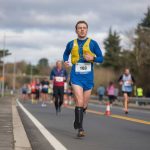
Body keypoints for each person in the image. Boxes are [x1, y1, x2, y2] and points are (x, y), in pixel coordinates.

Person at [63, 20, 103, 137]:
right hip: (76, 75)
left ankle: (77, 120)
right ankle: (80, 128)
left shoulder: (93, 43)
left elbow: (101, 58)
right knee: (79, 101)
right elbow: (66, 54)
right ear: (76, 30)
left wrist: (93, 58)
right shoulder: (71, 43)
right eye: (79, 28)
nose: (82, 29)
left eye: (84, 28)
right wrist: (66, 61)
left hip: (88, 77)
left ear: (87, 30)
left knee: (84, 105)